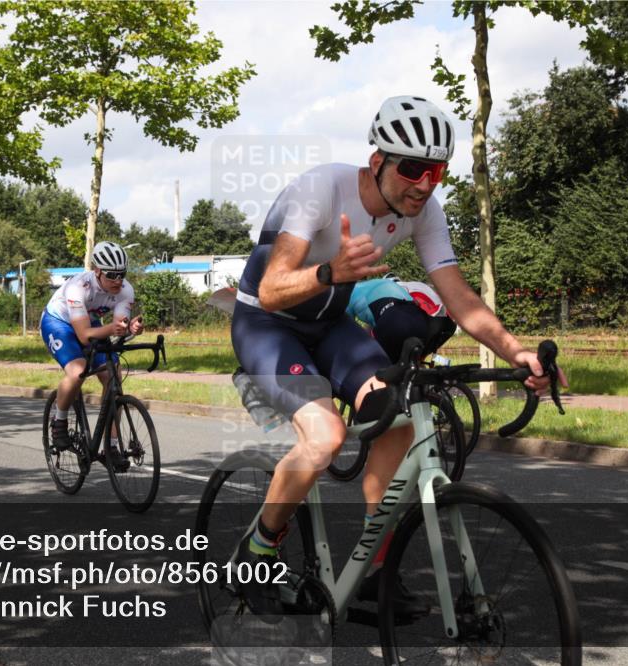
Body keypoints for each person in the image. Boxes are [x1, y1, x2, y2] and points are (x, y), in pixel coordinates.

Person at [230, 95, 566, 618]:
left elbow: (460, 299)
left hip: (331, 326)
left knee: (397, 418)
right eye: (412, 169)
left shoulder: (423, 211)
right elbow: (271, 290)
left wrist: (516, 352)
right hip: (266, 325)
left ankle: (374, 570)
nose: (425, 184)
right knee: (325, 437)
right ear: (377, 162)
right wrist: (331, 272)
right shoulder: (321, 191)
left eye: (437, 172)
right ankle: (258, 550)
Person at [40, 241, 144, 457]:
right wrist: (113, 328)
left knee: (113, 377)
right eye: (111, 275)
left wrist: (130, 329)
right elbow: (84, 336)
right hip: (59, 323)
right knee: (77, 371)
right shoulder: (78, 287)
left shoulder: (126, 290)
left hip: (89, 322)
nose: (118, 280)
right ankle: (59, 421)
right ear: (97, 271)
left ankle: (111, 446)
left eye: (122, 274)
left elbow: (117, 329)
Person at [346, 275, 456, 363]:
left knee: (377, 363)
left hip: (403, 318)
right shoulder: (397, 287)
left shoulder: (348, 294)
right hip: (447, 323)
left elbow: (347, 332)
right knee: (412, 362)